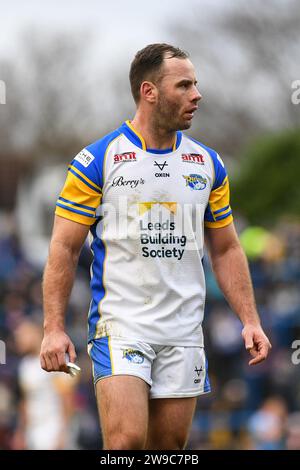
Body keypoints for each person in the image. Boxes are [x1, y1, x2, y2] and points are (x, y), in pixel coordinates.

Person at [40, 43, 271, 450]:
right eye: (184, 85)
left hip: (184, 330)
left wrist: (249, 319)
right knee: (127, 443)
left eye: (196, 84)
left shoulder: (209, 165)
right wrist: (53, 328)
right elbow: (63, 249)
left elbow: (227, 249)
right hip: (121, 325)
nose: (197, 95)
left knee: (167, 450)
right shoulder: (98, 160)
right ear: (149, 92)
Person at [13, 319, 76, 449]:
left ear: (35, 333)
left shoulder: (55, 359)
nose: (18, 340)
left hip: (54, 428)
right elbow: (25, 402)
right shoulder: (25, 365)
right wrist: (21, 432)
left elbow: (67, 399)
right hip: (34, 432)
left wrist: (64, 433)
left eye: (23, 335)